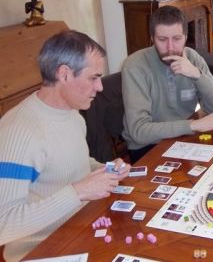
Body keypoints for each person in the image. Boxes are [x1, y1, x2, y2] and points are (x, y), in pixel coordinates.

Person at [0, 31, 131, 262]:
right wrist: (78, 192)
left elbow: (75, 164)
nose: (100, 87)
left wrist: (107, 169)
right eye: (94, 77)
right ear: (64, 74)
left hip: (83, 227)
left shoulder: (72, 114)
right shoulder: (19, 132)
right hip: (43, 251)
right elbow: (4, 225)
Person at [122, 5, 213, 163]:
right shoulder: (135, 65)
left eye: (177, 39)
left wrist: (197, 75)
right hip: (148, 147)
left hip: (184, 138)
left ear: (185, 37)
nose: (170, 48)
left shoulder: (192, 58)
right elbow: (139, 131)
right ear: (152, 38)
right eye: (162, 39)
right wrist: (192, 125)